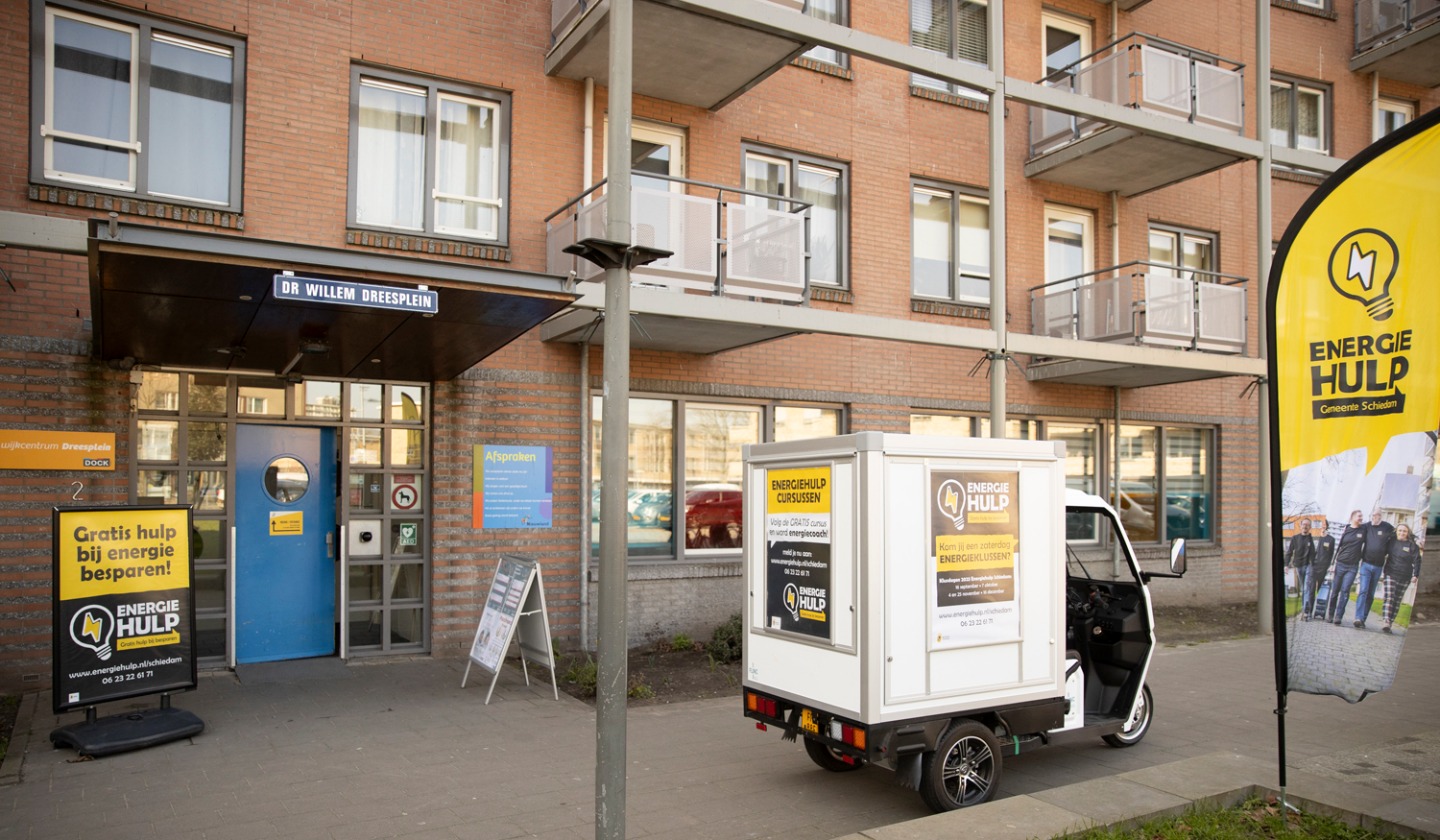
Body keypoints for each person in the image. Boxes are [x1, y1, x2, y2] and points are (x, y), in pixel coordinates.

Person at [1353, 510, 1395, 628]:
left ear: (1380, 516)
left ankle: (1363, 619)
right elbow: (1354, 527)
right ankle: (1358, 617)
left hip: (1378, 567)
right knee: (1363, 590)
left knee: (1371, 594)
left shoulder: (1387, 527)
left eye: (1376, 515)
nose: (1374, 517)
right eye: (1372, 515)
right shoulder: (1366, 526)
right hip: (1366, 564)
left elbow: (1398, 535)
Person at [1379, 523, 1422, 634]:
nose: (1402, 533)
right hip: (1390, 573)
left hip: (1405, 576)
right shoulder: (1391, 542)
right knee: (1389, 597)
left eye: (1404, 531)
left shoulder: (1412, 546)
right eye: (1400, 530)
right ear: (1396, 531)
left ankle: (1390, 623)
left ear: (1408, 533)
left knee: (1397, 601)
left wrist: (1415, 575)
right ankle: (1386, 621)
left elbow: (1417, 561)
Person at [1326, 510, 1365, 625]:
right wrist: (1333, 564)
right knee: (1335, 591)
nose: (1361, 518)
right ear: (1352, 517)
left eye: (1362, 516)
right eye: (1359, 516)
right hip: (1340, 564)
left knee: (1345, 591)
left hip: (1352, 567)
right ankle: (1331, 614)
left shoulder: (1364, 530)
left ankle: (1338, 616)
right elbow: (1338, 547)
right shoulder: (1346, 529)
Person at [1285, 519, 1314, 620]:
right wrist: (1286, 565)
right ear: (1300, 526)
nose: (1305, 526)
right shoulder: (1295, 538)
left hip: (1308, 566)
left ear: (1309, 527)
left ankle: (1305, 611)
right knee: (1303, 588)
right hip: (1298, 566)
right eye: (1304, 524)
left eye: (1308, 525)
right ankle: (1305, 610)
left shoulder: (1310, 539)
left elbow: (1313, 554)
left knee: (1306, 588)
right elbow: (1289, 552)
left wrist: (1313, 566)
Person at [1306, 526, 1336, 621]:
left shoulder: (1331, 539)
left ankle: (1319, 611)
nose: (1322, 528)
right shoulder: (1314, 537)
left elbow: (1331, 554)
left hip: (1323, 568)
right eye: (1321, 526)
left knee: (1320, 592)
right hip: (1313, 567)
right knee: (1311, 590)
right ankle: (1309, 611)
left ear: (1326, 528)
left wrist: (1330, 565)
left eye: (1324, 526)